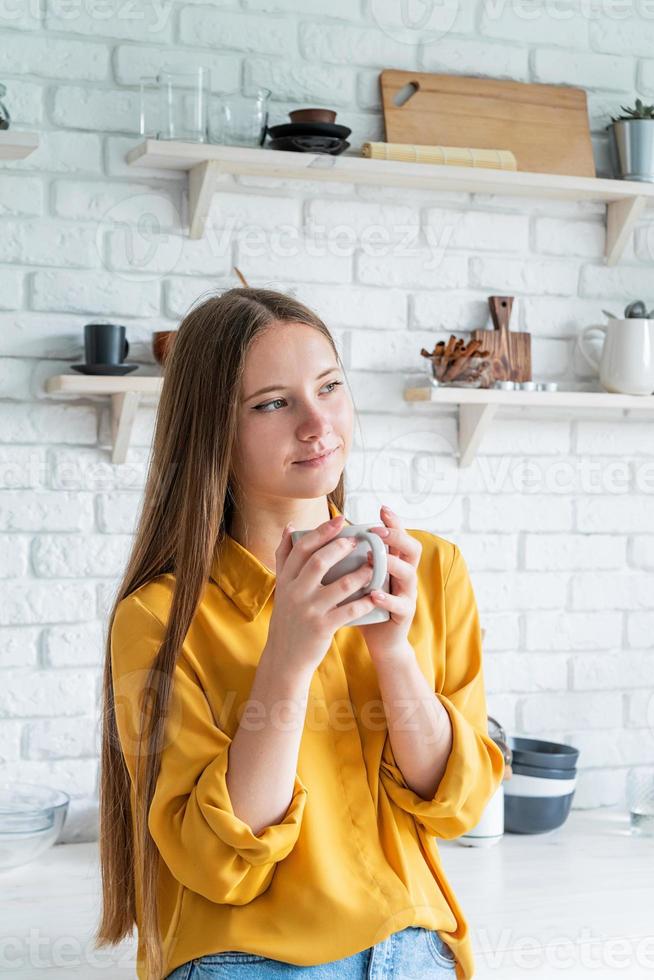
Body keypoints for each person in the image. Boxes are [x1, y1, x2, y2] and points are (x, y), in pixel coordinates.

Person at [94, 287, 505, 980]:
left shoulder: (430, 571)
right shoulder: (159, 619)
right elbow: (220, 865)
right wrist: (286, 661)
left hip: (412, 947)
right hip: (244, 959)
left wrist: (392, 652)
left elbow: (458, 806)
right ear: (212, 431)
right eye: (273, 403)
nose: (319, 424)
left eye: (330, 387)